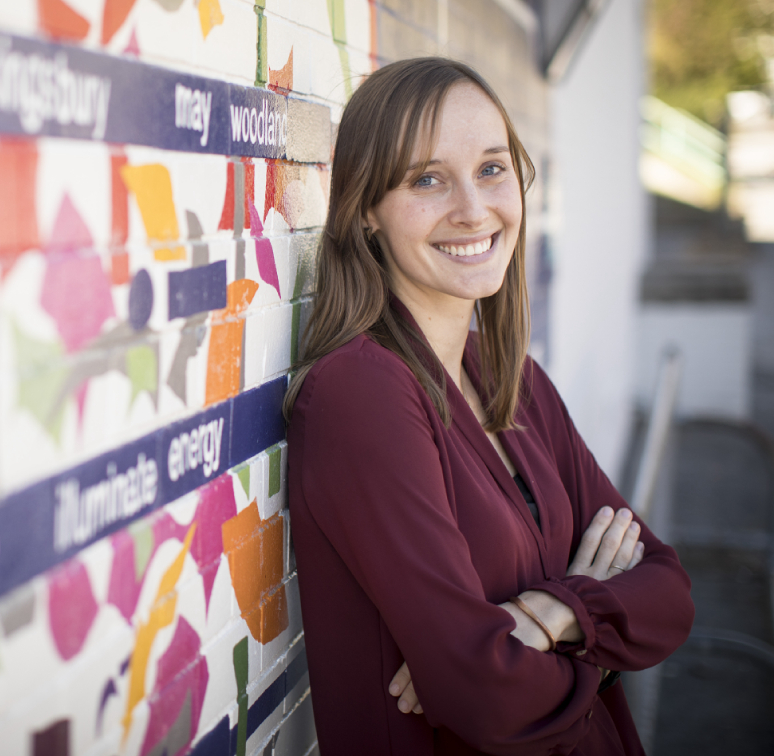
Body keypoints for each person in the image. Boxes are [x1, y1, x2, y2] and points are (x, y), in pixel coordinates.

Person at [284, 57, 693, 754]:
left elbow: (670, 594)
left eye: (492, 168)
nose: (474, 209)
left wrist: (547, 616)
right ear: (367, 214)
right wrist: (593, 615)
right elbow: (485, 695)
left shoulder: (516, 380)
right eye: (427, 179)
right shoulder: (361, 395)